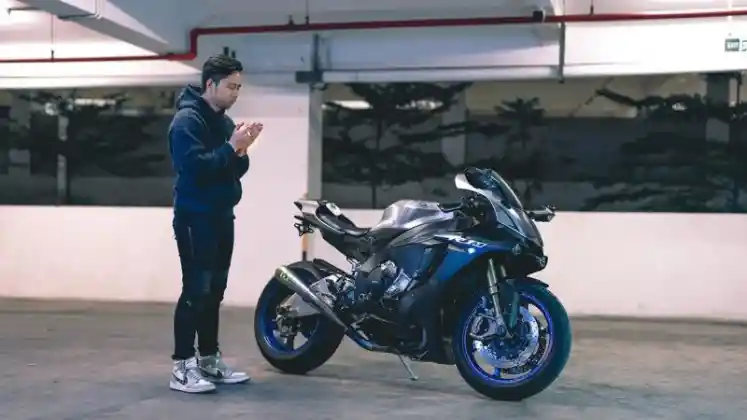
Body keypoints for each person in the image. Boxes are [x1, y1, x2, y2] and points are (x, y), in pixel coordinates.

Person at [167, 54, 263, 394]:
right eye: (231, 87)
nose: (236, 93)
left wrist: (241, 150)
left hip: (222, 215)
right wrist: (231, 147)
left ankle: (208, 360)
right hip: (196, 218)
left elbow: (234, 169)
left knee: (214, 291)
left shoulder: (224, 122)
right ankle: (182, 367)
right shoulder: (187, 121)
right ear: (211, 84)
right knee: (196, 290)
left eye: (238, 87)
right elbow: (195, 169)